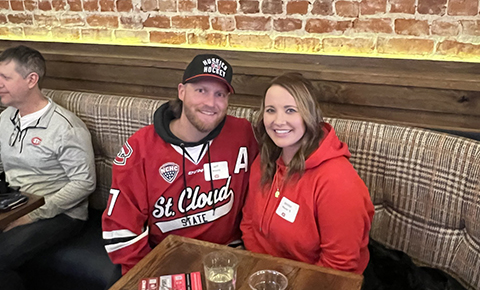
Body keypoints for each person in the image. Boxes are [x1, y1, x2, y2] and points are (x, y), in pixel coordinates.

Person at [102, 54, 258, 275]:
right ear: (182, 92)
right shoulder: (140, 148)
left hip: (228, 257)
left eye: (220, 94)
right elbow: (121, 229)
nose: (211, 103)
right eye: (201, 90)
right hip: (164, 259)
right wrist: (149, 274)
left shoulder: (243, 134)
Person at [240, 72, 374, 274]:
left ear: (309, 115)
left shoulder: (337, 181)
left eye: (290, 110)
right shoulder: (265, 159)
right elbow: (248, 224)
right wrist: (263, 273)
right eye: (270, 110)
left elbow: (338, 267)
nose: (278, 120)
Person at [0, 45, 96, 289]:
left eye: (5, 78)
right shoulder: (5, 118)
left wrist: (33, 215)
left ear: (32, 79)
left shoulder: (65, 127)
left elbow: (84, 183)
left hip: (61, 212)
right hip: (16, 203)